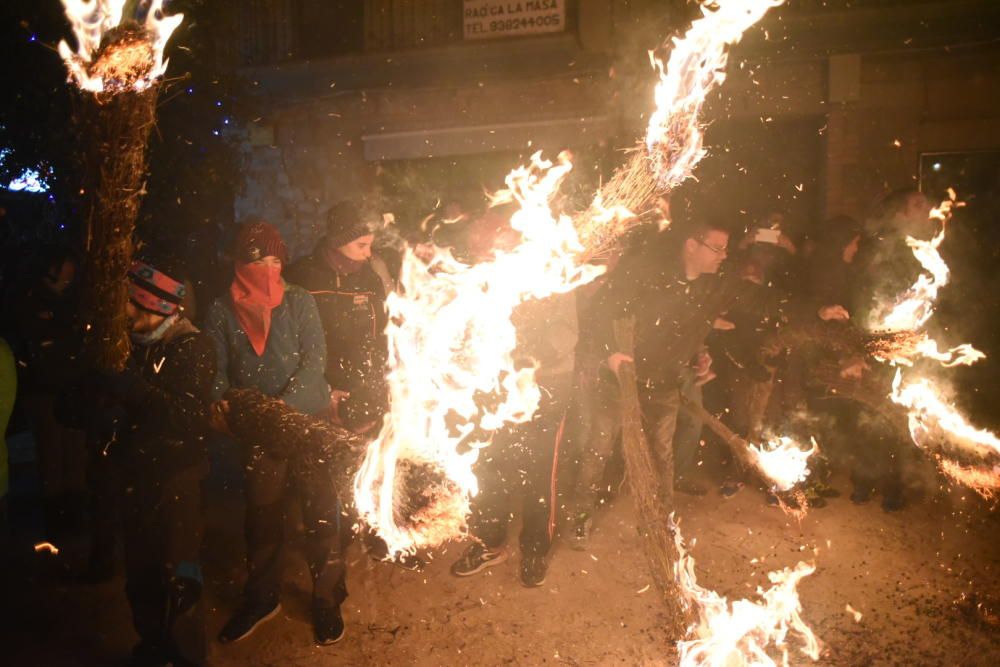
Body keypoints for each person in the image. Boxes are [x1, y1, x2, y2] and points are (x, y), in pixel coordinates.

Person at [60, 254, 216, 666]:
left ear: (153, 304)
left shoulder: (191, 346)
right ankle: (152, 645)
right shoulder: (123, 346)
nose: (121, 312)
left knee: (179, 577)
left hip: (175, 478)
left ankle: (185, 655)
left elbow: (186, 418)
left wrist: (132, 390)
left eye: (129, 303)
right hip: (133, 476)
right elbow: (72, 410)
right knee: (142, 575)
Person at [205, 221, 347, 646]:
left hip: (306, 421)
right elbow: (215, 368)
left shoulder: (299, 300)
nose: (266, 268)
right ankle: (262, 596)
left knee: (321, 510)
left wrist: (283, 409)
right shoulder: (220, 310)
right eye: (255, 259)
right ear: (238, 262)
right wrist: (223, 405)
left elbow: (314, 360)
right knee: (262, 516)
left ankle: (326, 597)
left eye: (273, 259)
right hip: (258, 432)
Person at [570, 219, 742, 546]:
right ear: (692, 245)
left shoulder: (705, 286)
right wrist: (610, 355)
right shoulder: (647, 274)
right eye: (717, 248)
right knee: (599, 450)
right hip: (619, 381)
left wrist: (698, 355)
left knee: (661, 455)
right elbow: (598, 314)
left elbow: (690, 328)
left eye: (725, 249)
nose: (723, 256)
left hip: (664, 384)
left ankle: (660, 521)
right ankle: (581, 515)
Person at [285, 201, 393, 433]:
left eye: (370, 245)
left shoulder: (369, 279)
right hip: (315, 396)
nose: (368, 254)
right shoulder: (302, 276)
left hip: (360, 398)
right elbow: (290, 346)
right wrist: (320, 393)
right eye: (361, 245)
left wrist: (374, 392)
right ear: (338, 241)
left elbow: (380, 338)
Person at [13, 245, 87, 539]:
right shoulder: (31, 298)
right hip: (45, 390)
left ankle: (72, 516)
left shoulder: (72, 298)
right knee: (53, 452)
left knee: (74, 452)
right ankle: (58, 520)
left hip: (70, 387)